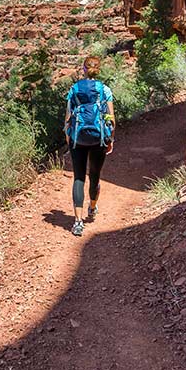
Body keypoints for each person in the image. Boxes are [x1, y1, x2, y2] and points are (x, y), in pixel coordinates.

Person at [64, 56, 115, 237]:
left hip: (78, 139)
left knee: (79, 177)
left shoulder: (74, 89)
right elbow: (111, 119)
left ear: (83, 69)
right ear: (98, 69)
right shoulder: (104, 90)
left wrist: (69, 140)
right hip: (98, 139)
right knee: (94, 175)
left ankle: (77, 222)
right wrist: (110, 140)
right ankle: (92, 207)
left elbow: (68, 119)